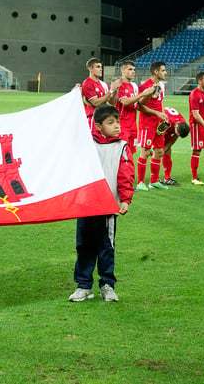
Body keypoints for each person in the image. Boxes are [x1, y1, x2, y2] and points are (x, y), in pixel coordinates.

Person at [69, 104, 134, 303]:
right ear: (98, 126)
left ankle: (107, 284)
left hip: (108, 207)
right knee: (84, 245)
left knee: (106, 246)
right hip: (87, 204)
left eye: (118, 122)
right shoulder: (87, 144)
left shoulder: (121, 146)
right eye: (110, 123)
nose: (116, 126)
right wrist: (73, 103)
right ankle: (83, 285)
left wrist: (125, 199)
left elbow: (126, 174)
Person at [135, 61, 169, 190]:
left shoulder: (162, 86)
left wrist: (163, 115)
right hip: (147, 123)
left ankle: (154, 181)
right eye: (163, 70)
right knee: (146, 151)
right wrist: (156, 113)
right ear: (156, 72)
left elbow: (161, 102)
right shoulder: (145, 86)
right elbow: (140, 107)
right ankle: (140, 182)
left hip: (158, 123)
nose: (165, 72)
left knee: (159, 151)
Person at [116, 60, 155, 154]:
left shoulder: (134, 86)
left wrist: (149, 94)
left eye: (134, 69)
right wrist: (142, 94)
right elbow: (125, 102)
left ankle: (129, 169)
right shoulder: (119, 84)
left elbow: (139, 104)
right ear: (123, 70)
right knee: (122, 154)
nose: (133, 71)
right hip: (122, 125)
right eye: (130, 69)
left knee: (131, 152)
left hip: (133, 125)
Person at [152, 106, 189, 185]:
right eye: (176, 133)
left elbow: (175, 136)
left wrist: (165, 148)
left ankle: (167, 178)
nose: (176, 134)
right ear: (176, 126)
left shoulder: (182, 124)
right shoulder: (167, 122)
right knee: (158, 151)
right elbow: (157, 133)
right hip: (158, 123)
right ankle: (155, 179)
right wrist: (159, 149)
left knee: (167, 150)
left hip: (169, 128)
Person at [81, 58, 121, 128]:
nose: (101, 69)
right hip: (93, 119)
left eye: (101, 67)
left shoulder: (104, 84)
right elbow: (95, 103)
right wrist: (111, 91)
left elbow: (113, 102)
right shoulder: (87, 83)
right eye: (98, 67)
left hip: (104, 118)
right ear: (90, 69)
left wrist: (116, 90)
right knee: (94, 139)